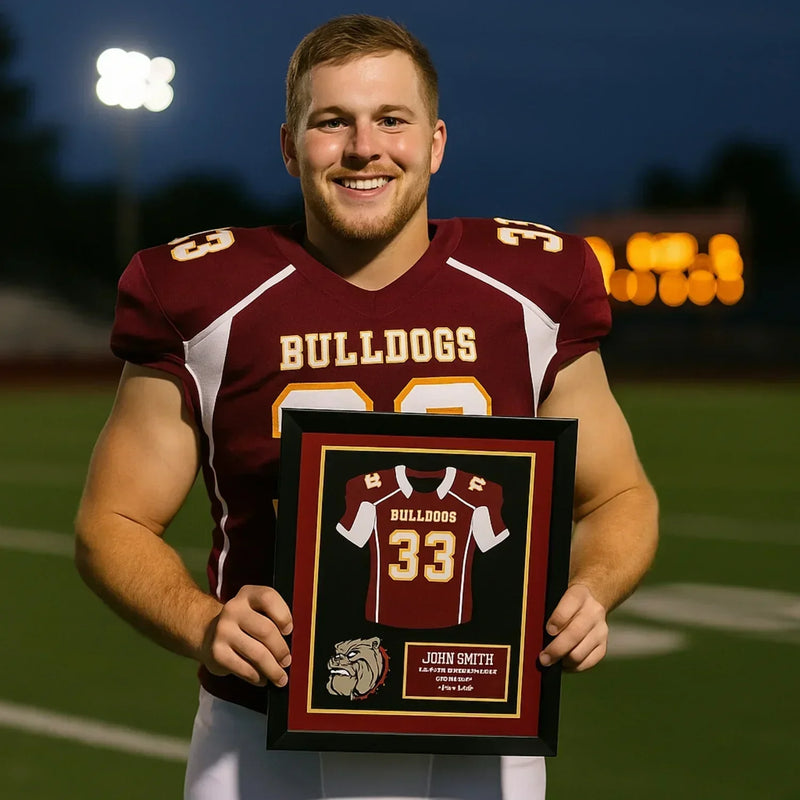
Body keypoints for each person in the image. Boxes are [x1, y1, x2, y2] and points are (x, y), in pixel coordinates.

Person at [75, 13, 658, 800]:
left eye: (391, 119)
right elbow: (111, 522)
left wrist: (591, 590)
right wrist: (203, 623)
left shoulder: (529, 289)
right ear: (289, 146)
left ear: (437, 142)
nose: (363, 148)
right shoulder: (206, 296)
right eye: (332, 123)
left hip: (481, 727)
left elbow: (620, 493)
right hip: (261, 733)